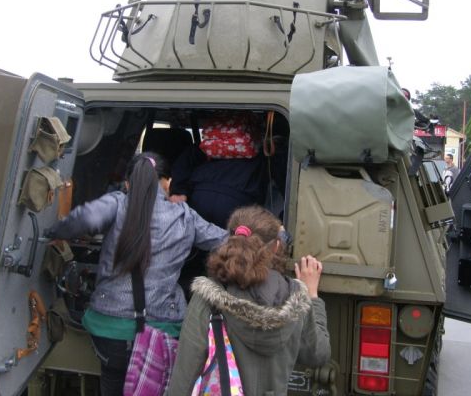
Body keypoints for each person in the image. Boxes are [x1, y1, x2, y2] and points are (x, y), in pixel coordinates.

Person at [46, 152, 228, 396]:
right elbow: (225, 241)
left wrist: (53, 232)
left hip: (109, 330)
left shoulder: (117, 203)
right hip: (161, 329)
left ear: (128, 184)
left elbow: (85, 218)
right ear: (167, 183)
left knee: (112, 384)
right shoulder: (186, 216)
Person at [167, 205, 331, 395]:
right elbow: (318, 354)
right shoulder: (295, 297)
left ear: (230, 243)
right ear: (276, 247)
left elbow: (184, 378)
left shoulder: (207, 299)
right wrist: (312, 297)